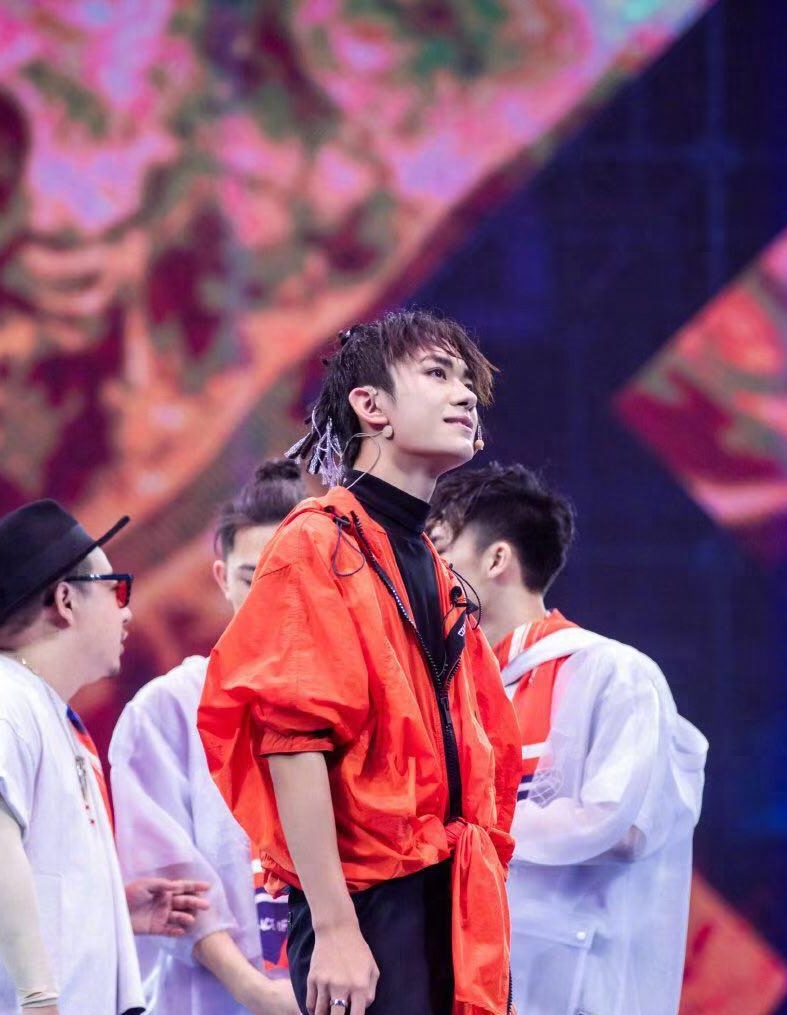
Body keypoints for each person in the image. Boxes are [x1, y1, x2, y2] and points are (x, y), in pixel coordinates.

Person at [198, 311, 523, 1015]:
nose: (465, 395)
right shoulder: (316, 544)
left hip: (446, 896)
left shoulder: (429, 563)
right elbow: (293, 741)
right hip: (369, 904)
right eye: (438, 374)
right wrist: (337, 927)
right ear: (371, 406)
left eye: (469, 382)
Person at [0, 499, 210, 1014]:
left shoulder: (39, 709)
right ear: (66, 600)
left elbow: (27, 869)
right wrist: (38, 999)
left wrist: (109, 911)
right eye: (117, 589)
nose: (127, 611)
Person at [428, 463, 708, 1015]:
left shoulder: (611, 672)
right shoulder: (445, 689)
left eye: (438, 549)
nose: (422, 570)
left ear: (496, 559)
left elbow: (622, 826)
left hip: (576, 979)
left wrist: (461, 827)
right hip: (463, 977)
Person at [110, 460, 310, 1015]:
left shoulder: (368, 699)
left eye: (290, 576)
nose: (270, 597)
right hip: (214, 998)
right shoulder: (166, 710)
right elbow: (167, 879)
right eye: (251, 577)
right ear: (222, 579)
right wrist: (256, 992)